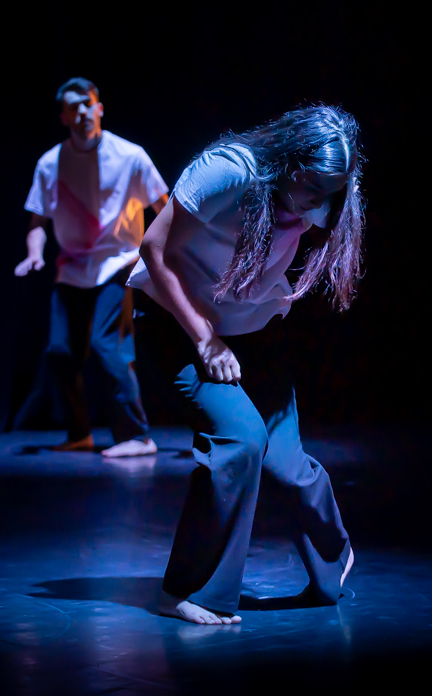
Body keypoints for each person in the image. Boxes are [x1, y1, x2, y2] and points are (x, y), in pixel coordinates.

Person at [127, 105, 363, 624]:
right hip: (181, 326)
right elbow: (154, 249)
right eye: (314, 192)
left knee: (285, 463)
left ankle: (333, 553)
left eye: (334, 195)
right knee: (240, 439)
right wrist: (206, 338)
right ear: (289, 166)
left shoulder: (322, 196)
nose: (323, 209)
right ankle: (189, 590)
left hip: (254, 330)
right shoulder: (229, 171)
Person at [17, 78, 169, 457]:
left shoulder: (131, 156)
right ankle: (79, 433)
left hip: (117, 263)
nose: (83, 111)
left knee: (107, 347)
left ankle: (137, 436)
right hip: (71, 269)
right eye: (74, 106)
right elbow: (37, 223)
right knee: (59, 351)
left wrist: (169, 254)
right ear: (64, 116)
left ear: (99, 108)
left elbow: (164, 207)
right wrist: (34, 254)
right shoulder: (50, 163)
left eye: (89, 104)